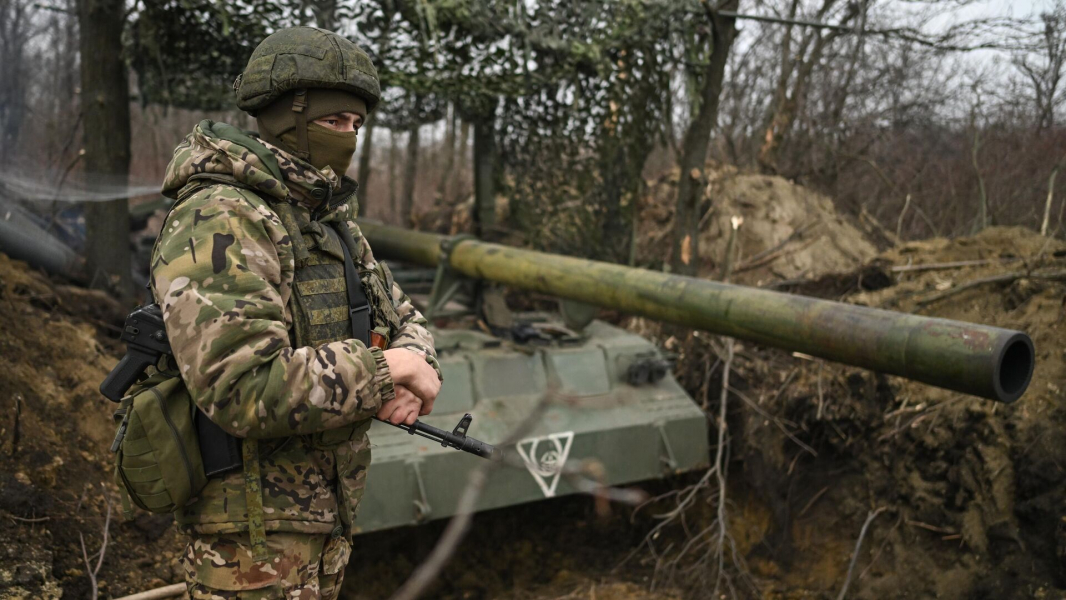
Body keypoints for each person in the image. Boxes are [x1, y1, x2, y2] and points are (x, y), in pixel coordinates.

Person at [150, 26, 441, 599]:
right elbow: (243, 386)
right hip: (247, 542)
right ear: (287, 117)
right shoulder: (222, 217)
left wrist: (410, 365)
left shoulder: (327, 220)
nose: (350, 138)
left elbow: (405, 320)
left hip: (322, 519)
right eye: (335, 122)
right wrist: (388, 371)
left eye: (358, 125)